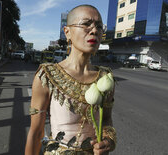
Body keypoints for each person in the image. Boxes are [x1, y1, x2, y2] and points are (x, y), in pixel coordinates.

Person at [25, 4, 116, 155]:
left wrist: (108, 141)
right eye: (86, 24)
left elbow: (106, 119)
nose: (94, 31)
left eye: (99, 26)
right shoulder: (47, 75)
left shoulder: (105, 78)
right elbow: (36, 132)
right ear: (67, 32)